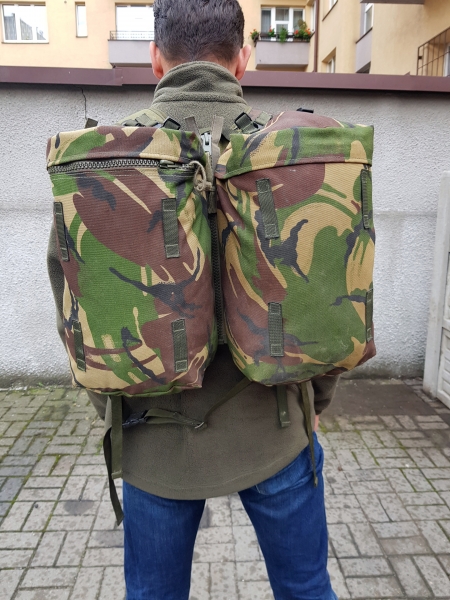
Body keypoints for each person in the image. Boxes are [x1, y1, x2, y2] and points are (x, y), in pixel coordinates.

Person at [47, 1, 340, 598]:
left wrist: (112, 406)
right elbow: (329, 293)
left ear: (156, 59)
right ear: (243, 59)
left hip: (155, 443)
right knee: (307, 588)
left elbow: (70, 294)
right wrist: (318, 400)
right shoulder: (285, 149)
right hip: (275, 430)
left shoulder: (107, 159)